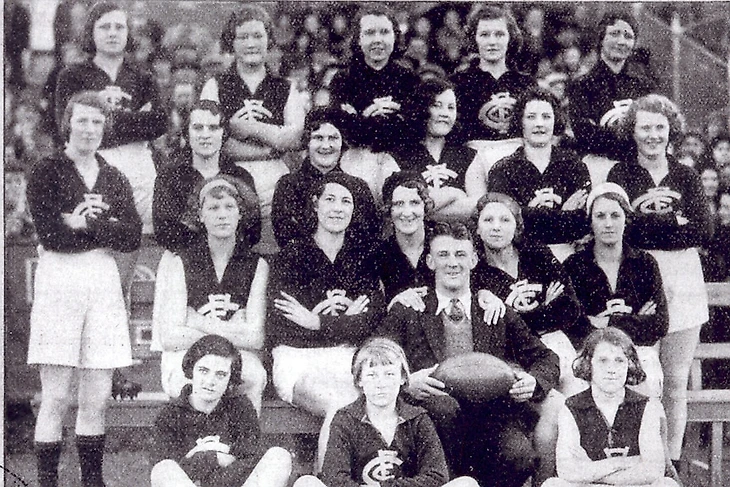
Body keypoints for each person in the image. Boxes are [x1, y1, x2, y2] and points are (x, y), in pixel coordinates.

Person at [379, 221, 560, 487]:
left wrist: (534, 381)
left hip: (492, 416)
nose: (453, 263)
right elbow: (372, 354)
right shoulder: (410, 309)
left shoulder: (493, 309)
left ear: (474, 259)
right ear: (429, 261)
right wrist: (406, 382)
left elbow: (546, 358)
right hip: (434, 421)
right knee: (444, 410)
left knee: (519, 456)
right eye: (443, 255)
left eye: (460, 255)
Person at [27, 91, 142, 487]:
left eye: (97, 122)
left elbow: (130, 237)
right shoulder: (47, 170)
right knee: (56, 396)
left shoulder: (113, 175)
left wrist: (85, 225)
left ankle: (92, 482)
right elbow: (51, 235)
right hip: (60, 279)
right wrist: (99, 229)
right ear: (68, 123)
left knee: (95, 397)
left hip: (102, 280)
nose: (90, 129)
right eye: (83, 121)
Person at [607, 93, 712, 471]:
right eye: (645, 127)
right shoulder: (621, 174)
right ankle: (634, 463)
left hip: (683, 281)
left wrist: (650, 226)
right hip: (637, 278)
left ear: (671, 131)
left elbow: (704, 228)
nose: (653, 135)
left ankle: (671, 464)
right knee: (635, 378)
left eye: (660, 127)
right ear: (632, 131)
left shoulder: (685, 174)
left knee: (674, 381)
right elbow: (624, 229)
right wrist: (674, 222)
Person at [268, 172, 386, 471]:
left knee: (376, 406)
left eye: (345, 201)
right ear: (316, 205)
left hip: (347, 357)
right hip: (297, 359)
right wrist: (345, 321)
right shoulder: (291, 255)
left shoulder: (361, 258)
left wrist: (316, 321)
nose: (337, 207)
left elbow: (371, 320)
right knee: (340, 407)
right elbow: (283, 327)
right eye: (330, 199)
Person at [293, 337, 479, 487]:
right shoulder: (345, 419)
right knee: (305, 483)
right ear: (359, 381)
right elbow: (334, 478)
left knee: (467, 484)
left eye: (389, 374)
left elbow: (436, 476)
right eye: (372, 375)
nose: (381, 384)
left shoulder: (418, 419)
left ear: (403, 379)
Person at [152, 174, 267, 413]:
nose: (222, 214)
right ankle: (196, 449)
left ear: (240, 213)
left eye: (229, 206)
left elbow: (255, 338)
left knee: (254, 375)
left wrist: (198, 321)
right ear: (200, 216)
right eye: (213, 207)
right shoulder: (180, 261)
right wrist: (233, 330)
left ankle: (246, 448)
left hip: (234, 355)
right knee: (195, 380)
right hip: (185, 354)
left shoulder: (257, 265)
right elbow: (171, 337)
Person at [54, 1, 166, 242]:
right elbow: (65, 129)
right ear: (91, 33)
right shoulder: (72, 76)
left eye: (119, 27)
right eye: (105, 27)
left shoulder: (144, 77)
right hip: (92, 168)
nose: (113, 33)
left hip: (139, 169)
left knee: (137, 245)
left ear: (128, 33)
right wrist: (136, 120)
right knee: (95, 246)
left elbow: (157, 124)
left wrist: (99, 119)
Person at [200, 4, 306, 254]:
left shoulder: (285, 87)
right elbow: (215, 141)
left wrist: (245, 127)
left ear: (269, 40)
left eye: (258, 36)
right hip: (230, 185)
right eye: (243, 37)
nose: (251, 43)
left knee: (272, 258)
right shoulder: (215, 86)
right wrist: (270, 144)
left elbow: (295, 137)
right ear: (232, 42)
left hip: (275, 186)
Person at [472, 192, 582, 399]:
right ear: (477, 228)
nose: (496, 227)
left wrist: (513, 313)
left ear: (517, 226)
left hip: (553, 339)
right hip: (513, 352)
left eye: (505, 220)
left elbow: (569, 309)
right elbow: (495, 330)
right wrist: (545, 308)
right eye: (488, 220)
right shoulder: (475, 271)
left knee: (573, 388)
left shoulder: (536, 254)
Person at [563, 183, 669, 398]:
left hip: (636, 351)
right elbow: (573, 323)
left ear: (626, 218)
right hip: (588, 353)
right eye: (600, 216)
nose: (608, 224)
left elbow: (658, 324)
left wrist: (608, 322)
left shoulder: (644, 263)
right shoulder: (574, 265)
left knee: (647, 386)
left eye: (615, 215)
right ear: (590, 221)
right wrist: (634, 319)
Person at [542, 327, 679, 487]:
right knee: (552, 485)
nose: (611, 369)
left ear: (630, 365)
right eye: (603, 360)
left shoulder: (646, 406)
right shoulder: (571, 407)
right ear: (588, 363)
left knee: (667, 484)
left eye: (619, 361)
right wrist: (620, 463)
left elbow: (653, 470)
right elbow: (567, 470)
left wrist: (591, 471)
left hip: (631, 485)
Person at [150, 335, 292, 487]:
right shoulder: (170, 414)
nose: (211, 381)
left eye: (221, 374)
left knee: (279, 456)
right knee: (163, 469)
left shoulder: (241, 407)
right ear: (191, 370)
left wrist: (201, 455)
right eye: (204, 371)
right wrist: (218, 457)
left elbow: (252, 460)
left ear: (231, 378)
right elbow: (167, 470)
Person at [486, 86, 591, 261]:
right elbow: (506, 223)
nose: (539, 124)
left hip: (570, 257)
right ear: (520, 122)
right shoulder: (502, 169)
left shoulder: (574, 165)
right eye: (531, 117)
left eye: (546, 117)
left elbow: (581, 223)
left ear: (555, 120)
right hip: (521, 259)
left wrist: (527, 213)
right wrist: (564, 215)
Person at [328, 4, 418, 202]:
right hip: (356, 159)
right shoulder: (344, 80)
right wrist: (392, 116)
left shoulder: (408, 79)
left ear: (395, 36)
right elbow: (346, 132)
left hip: (400, 159)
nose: (378, 39)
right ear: (358, 39)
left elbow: (412, 131)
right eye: (369, 33)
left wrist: (360, 117)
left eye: (384, 32)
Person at [154, 100, 260, 253]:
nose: (205, 135)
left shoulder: (240, 176)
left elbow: (252, 232)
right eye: (198, 128)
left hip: (231, 257)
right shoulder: (169, 176)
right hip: (184, 257)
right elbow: (165, 233)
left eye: (213, 128)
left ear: (223, 132)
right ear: (187, 133)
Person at [271, 107, 379, 251]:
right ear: (307, 142)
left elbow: (368, 239)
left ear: (343, 143)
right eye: (318, 138)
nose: (326, 146)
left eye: (333, 138)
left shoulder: (358, 187)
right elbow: (285, 238)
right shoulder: (288, 185)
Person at [450, 5, 535, 186]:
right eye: (484, 35)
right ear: (474, 38)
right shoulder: (458, 82)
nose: (492, 42)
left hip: (520, 159)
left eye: (499, 34)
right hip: (474, 161)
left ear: (510, 37)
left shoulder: (527, 84)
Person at [568, 12, 656, 185]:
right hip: (599, 170)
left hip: (638, 168)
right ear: (601, 38)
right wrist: (632, 136)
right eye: (614, 34)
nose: (621, 41)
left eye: (628, 36)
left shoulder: (643, 86)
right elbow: (585, 135)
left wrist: (607, 134)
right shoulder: (582, 85)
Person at [398, 77, 481, 221]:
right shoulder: (400, 155)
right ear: (421, 108)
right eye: (437, 105)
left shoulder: (469, 156)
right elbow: (402, 208)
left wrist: (427, 208)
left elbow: (478, 207)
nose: (445, 113)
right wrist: (453, 193)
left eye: (451, 107)